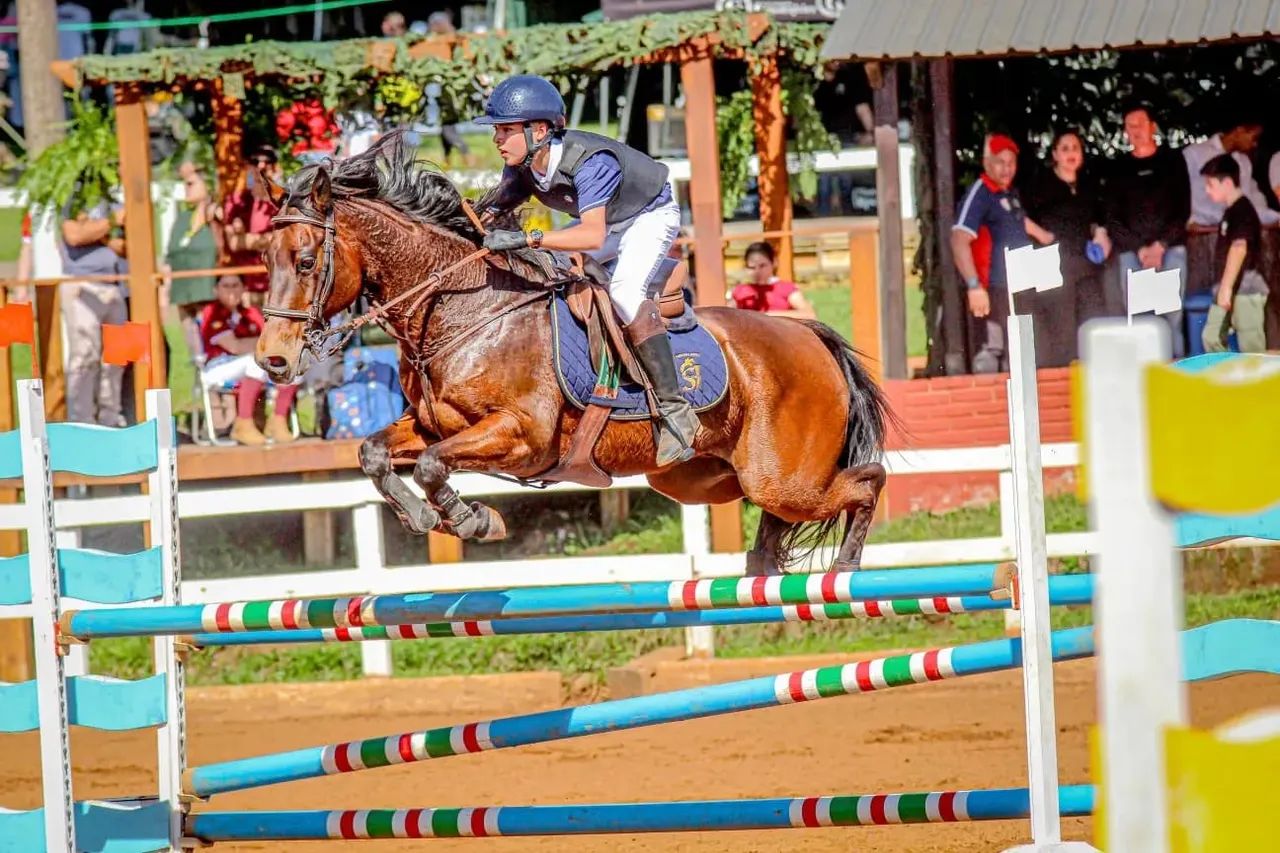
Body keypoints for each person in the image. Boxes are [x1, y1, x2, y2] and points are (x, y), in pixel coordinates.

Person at [475, 74, 697, 466]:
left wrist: (529, 239)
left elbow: (592, 235)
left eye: (506, 129)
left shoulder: (591, 162)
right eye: (497, 129)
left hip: (647, 216)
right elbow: (487, 214)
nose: (496, 139)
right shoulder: (524, 165)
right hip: (610, 223)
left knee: (626, 292)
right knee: (552, 268)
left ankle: (676, 410)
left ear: (539, 130)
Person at [951, 133, 1054, 373]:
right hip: (994, 289)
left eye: (1011, 163)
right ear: (987, 163)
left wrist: (1047, 238)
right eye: (1000, 162)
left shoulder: (1008, 192)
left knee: (1018, 350)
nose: (1007, 168)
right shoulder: (980, 193)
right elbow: (958, 239)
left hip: (1019, 285)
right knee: (993, 351)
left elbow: (1019, 221)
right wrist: (974, 286)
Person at [1102, 101, 1191, 356]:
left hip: (1170, 249)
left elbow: (1182, 210)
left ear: (1153, 127)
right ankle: (1144, 380)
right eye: (1130, 126)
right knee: (1138, 320)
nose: (1136, 130)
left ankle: (1175, 377)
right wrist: (1140, 249)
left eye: (1140, 124)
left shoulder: (1173, 161)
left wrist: (1160, 246)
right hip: (1132, 253)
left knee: (1171, 316)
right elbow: (1113, 218)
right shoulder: (1118, 169)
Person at [1021, 130, 1112, 365]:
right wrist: (1043, 236)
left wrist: (1100, 234)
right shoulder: (1040, 184)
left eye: (1075, 148)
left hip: (1085, 263)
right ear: (1055, 155)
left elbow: (1099, 220)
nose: (1071, 153)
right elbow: (1020, 217)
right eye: (1065, 148)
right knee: (1062, 328)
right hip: (1054, 265)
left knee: (1094, 318)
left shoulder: (1089, 185)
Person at [198, 275, 298, 446]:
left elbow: (272, 339)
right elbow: (235, 347)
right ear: (216, 290)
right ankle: (243, 424)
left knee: (293, 366)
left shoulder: (251, 313)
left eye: (236, 285)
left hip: (248, 374)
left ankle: (277, 422)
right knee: (254, 362)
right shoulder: (212, 312)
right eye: (226, 286)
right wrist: (263, 343)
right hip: (219, 371)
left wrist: (262, 343)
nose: (231, 290)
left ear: (244, 289)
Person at [59, 186, 128, 426]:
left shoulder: (113, 198)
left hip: (114, 285)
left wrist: (97, 230)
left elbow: (124, 245)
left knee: (116, 357)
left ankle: (110, 418)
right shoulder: (73, 197)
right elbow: (74, 235)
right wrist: (109, 223)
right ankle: (82, 422)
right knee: (84, 355)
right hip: (82, 284)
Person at [1199, 154, 1269, 353]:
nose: (1207, 190)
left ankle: (1256, 384)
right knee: (1211, 336)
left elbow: (1239, 248)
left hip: (1245, 288)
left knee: (1251, 348)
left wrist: (1226, 288)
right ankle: (1226, 379)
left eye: (1210, 185)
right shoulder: (1231, 211)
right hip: (1229, 286)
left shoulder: (1243, 211)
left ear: (1228, 183)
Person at [162, 162, 222, 315]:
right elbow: (170, 257)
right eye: (184, 184)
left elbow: (222, 251)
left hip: (210, 298)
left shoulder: (217, 216)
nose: (186, 188)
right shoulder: (183, 219)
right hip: (182, 297)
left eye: (191, 184)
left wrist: (214, 216)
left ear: (207, 186)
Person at [223, 145, 282, 298]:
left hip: (278, 286)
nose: (261, 166)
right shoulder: (236, 202)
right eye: (255, 161)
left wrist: (248, 240)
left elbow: (287, 241)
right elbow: (233, 244)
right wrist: (269, 239)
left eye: (268, 161)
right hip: (246, 289)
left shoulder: (284, 202)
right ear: (248, 166)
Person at [729, 242, 816, 319]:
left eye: (762, 266)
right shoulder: (740, 291)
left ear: (774, 263)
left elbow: (809, 314)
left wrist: (767, 316)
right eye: (752, 267)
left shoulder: (786, 288)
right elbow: (724, 316)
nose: (757, 271)